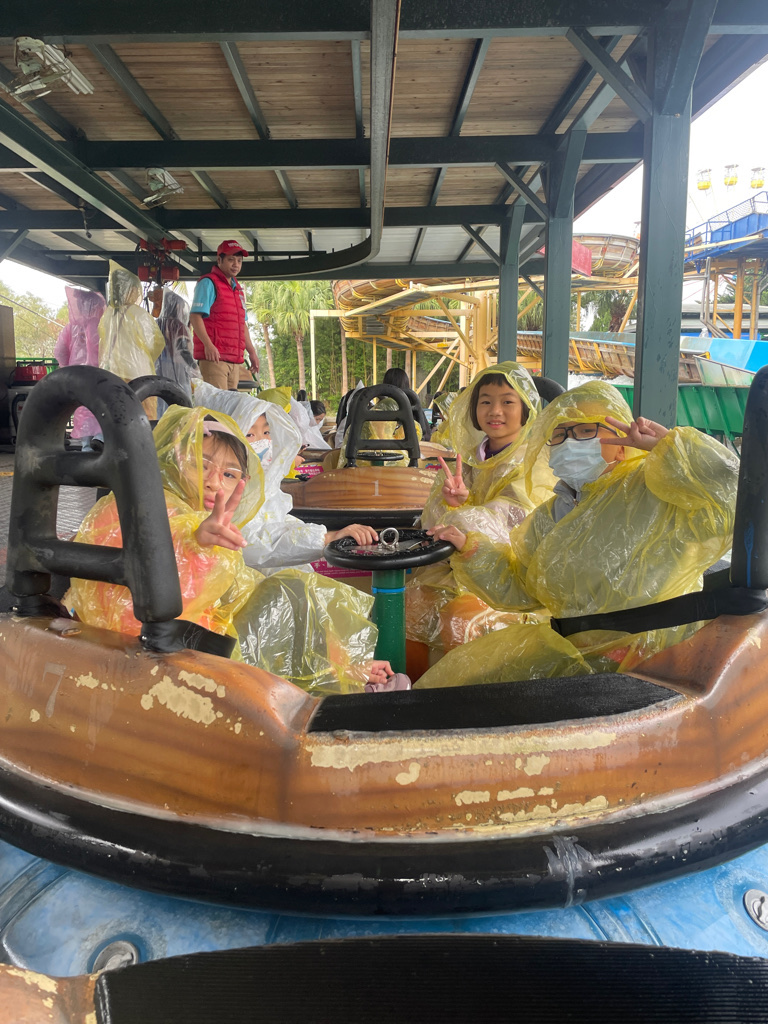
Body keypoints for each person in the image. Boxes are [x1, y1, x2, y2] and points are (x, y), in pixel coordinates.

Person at [415, 380, 738, 688]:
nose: (570, 443)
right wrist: (472, 550)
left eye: (585, 431)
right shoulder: (552, 514)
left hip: (653, 659)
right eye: (559, 435)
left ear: (622, 446)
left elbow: (732, 496)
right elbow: (523, 589)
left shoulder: (654, 490)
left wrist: (676, 451)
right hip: (578, 651)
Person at [68, 405, 401, 694]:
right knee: (289, 590)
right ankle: (336, 680)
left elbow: (236, 587)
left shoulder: (187, 512)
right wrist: (198, 545)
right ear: (174, 458)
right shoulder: (148, 511)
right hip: (169, 651)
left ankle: (339, 672)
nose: (215, 482)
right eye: (202, 465)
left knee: (290, 592)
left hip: (191, 637)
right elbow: (161, 586)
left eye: (228, 474)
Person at [193, 382, 379, 572]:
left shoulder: (262, 482)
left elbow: (278, 521)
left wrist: (324, 535)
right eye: (250, 434)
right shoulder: (222, 487)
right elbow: (252, 543)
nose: (263, 441)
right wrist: (324, 538)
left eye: (266, 432)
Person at [190, 240, 260, 391]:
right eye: (231, 260)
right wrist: (208, 345)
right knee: (217, 404)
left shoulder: (237, 290)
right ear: (219, 260)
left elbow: (242, 324)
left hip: (234, 361)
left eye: (239, 261)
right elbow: (195, 316)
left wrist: (252, 352)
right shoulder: (208, 283)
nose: (236, 264)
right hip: (214, 359)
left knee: (230, 404)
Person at [54, 286, 106, 450]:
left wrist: (66, 367)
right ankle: (100, 437)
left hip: (77, 375)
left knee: (82, 408)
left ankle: (85, 446)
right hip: (100, 375)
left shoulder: (70, 327)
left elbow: (59, 351)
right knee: (102, 406)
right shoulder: (103, 325)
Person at [98, 262, 165, 381]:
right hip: (137, 373)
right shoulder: (139, 314)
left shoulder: (108, 314)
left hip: (112, 372)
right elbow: (150, 344)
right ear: (132, 289)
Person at [156, 289, 200, 404]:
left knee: (161, 406)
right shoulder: (178, 327)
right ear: (177, 307)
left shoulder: (157, 324)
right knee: (181, 405)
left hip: (158, 373)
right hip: (178, 373)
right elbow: (183, 351)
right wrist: (195, 369)